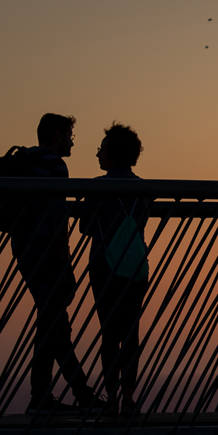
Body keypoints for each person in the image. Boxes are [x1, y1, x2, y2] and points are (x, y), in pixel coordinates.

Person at [9, 113, 98, 414]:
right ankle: (42, 399)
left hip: (24, 249)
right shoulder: (54, 165)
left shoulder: (26, 160)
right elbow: (58, 217)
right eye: (70, 135)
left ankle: (79, 393)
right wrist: (66, 261)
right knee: (51, 325)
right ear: (58, 135)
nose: (72, 142)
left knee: (55, 324)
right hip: (46, 251)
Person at [80, 123, 149, 415]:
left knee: (109, 333)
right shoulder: (144, 189)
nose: (98, 154)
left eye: (102, 149)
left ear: (114, 153)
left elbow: (85, 226)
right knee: (131, 332)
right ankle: (129, 399)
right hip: (135, 267)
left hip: (104, 266)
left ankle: (110, 398)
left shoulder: (98, 186)